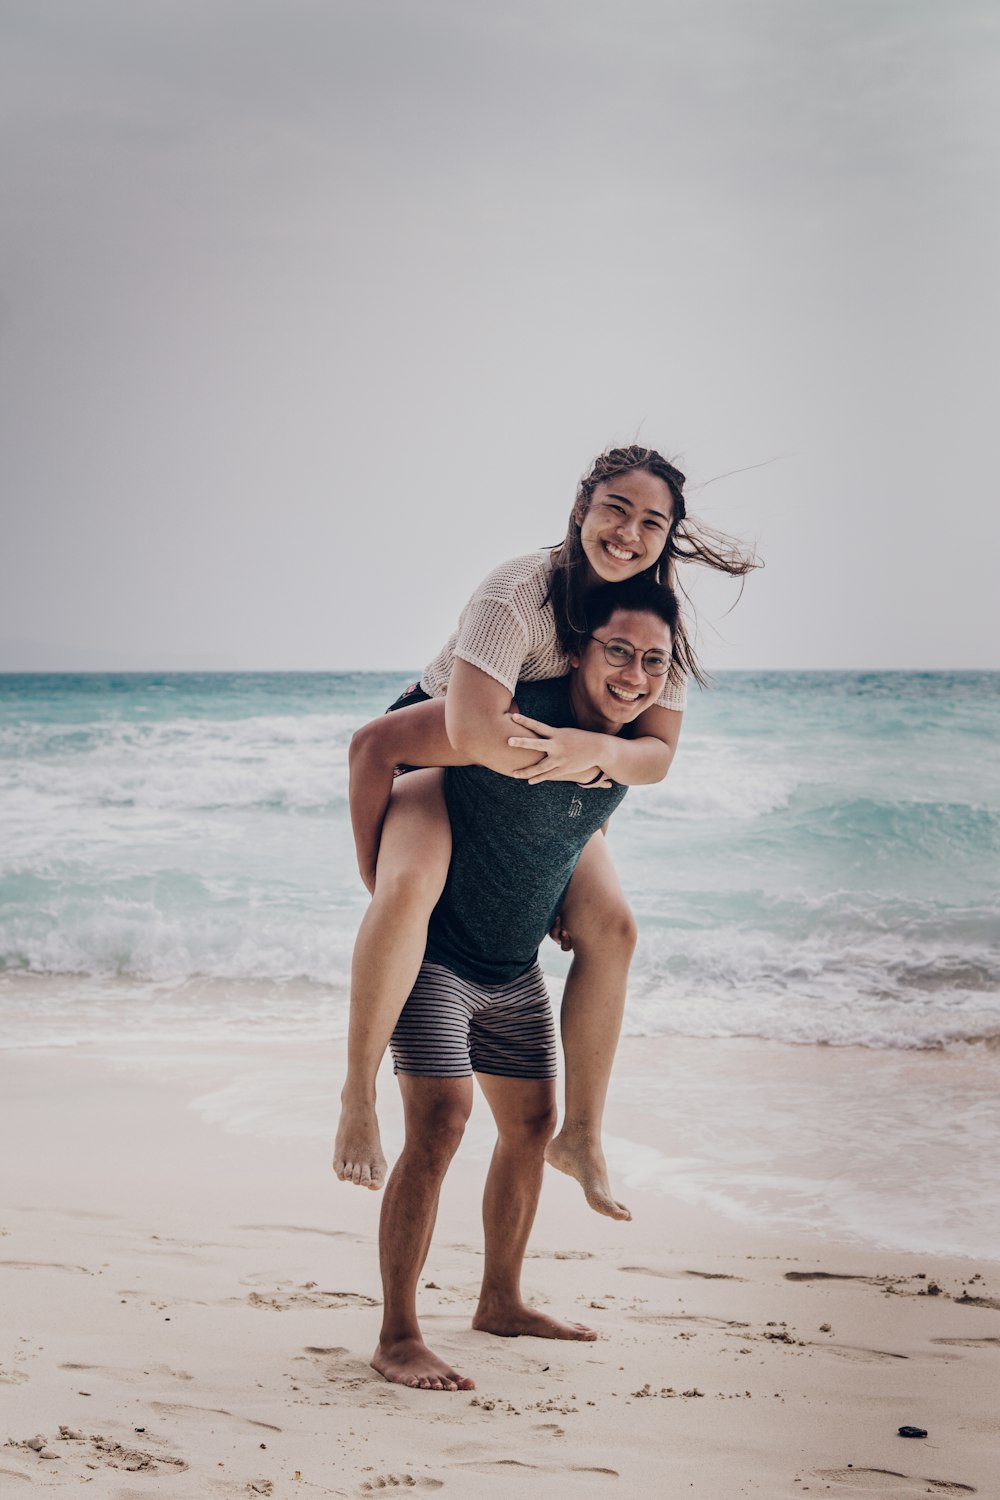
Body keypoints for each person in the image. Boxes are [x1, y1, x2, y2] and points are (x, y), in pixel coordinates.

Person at [335, 445, 756, 1219]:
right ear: (581, 507)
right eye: (615, 510)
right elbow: (456, 736)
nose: (628, 533)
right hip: (440, 757)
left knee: (616, 927)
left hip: (552, 765)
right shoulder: (516, 595)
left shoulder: (651, 621)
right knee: (409, 890)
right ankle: (357, 1095)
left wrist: (593, 758)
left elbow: (656, 756)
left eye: (651, 522)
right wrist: (374, 868)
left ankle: (583, 1135)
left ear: (669, 536)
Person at [366, 579, 679, 1391]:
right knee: (439, 1123)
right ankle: (397, 1333)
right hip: (438, 956)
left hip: (512, 970)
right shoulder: (510, 714)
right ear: (578, 648)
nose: (634, 673)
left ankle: (499, 1300)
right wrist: (381, 881)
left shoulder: (627, 738)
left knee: (532, 1126)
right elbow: (378, 746)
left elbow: (578, 815)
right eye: (617, 652)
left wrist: (565, 887)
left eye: (652, 661)